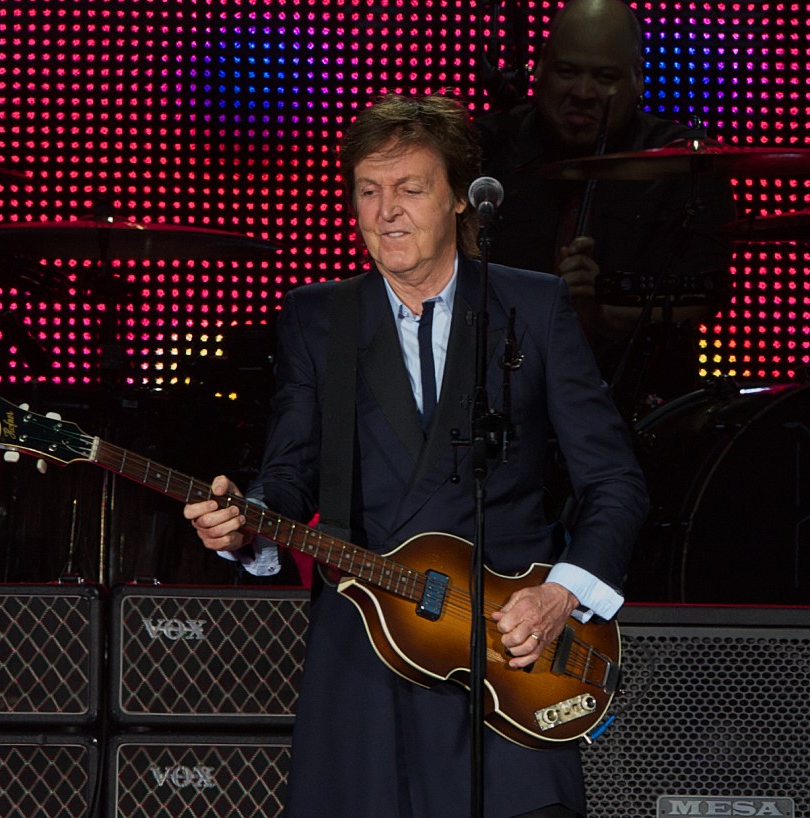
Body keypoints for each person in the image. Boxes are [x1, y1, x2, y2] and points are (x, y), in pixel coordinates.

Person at [184, 93, 648, 818]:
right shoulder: (320, 318)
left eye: (409, 188)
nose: (386, 211)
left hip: (511, 648)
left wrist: (563, 595)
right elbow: (287, 472)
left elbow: (614, 480)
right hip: (367, 656)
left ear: (460, 198)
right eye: (368, 191)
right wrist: (245, 524)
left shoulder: (532, 306)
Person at [474, 0, 737, 416]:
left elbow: (702, 299)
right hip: (498, 401)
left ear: (638, 80)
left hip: (639, 407)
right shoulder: (483, 152)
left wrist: (596, 313)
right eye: (567, 71)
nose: (583, 93)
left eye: (605, 77)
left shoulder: (685, 164)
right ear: (539, 68)